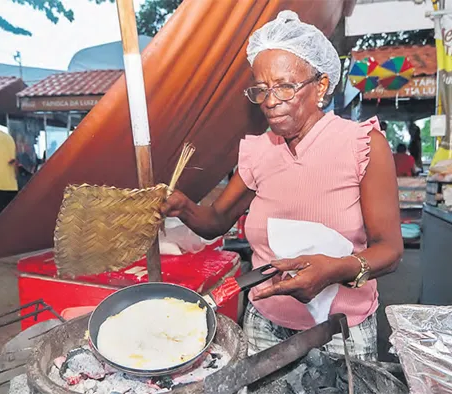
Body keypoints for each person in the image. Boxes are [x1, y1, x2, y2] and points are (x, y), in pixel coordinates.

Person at [162, 11, 402, 361]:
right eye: (261, 90)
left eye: (285, 86)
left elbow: (390, 251)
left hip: (340, 330)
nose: (271, 101)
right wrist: (182, 207)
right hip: (264, 324)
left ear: (320, 85)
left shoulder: (362, 143)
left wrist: (333, 269)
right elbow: (216, 220)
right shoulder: (259, 151)